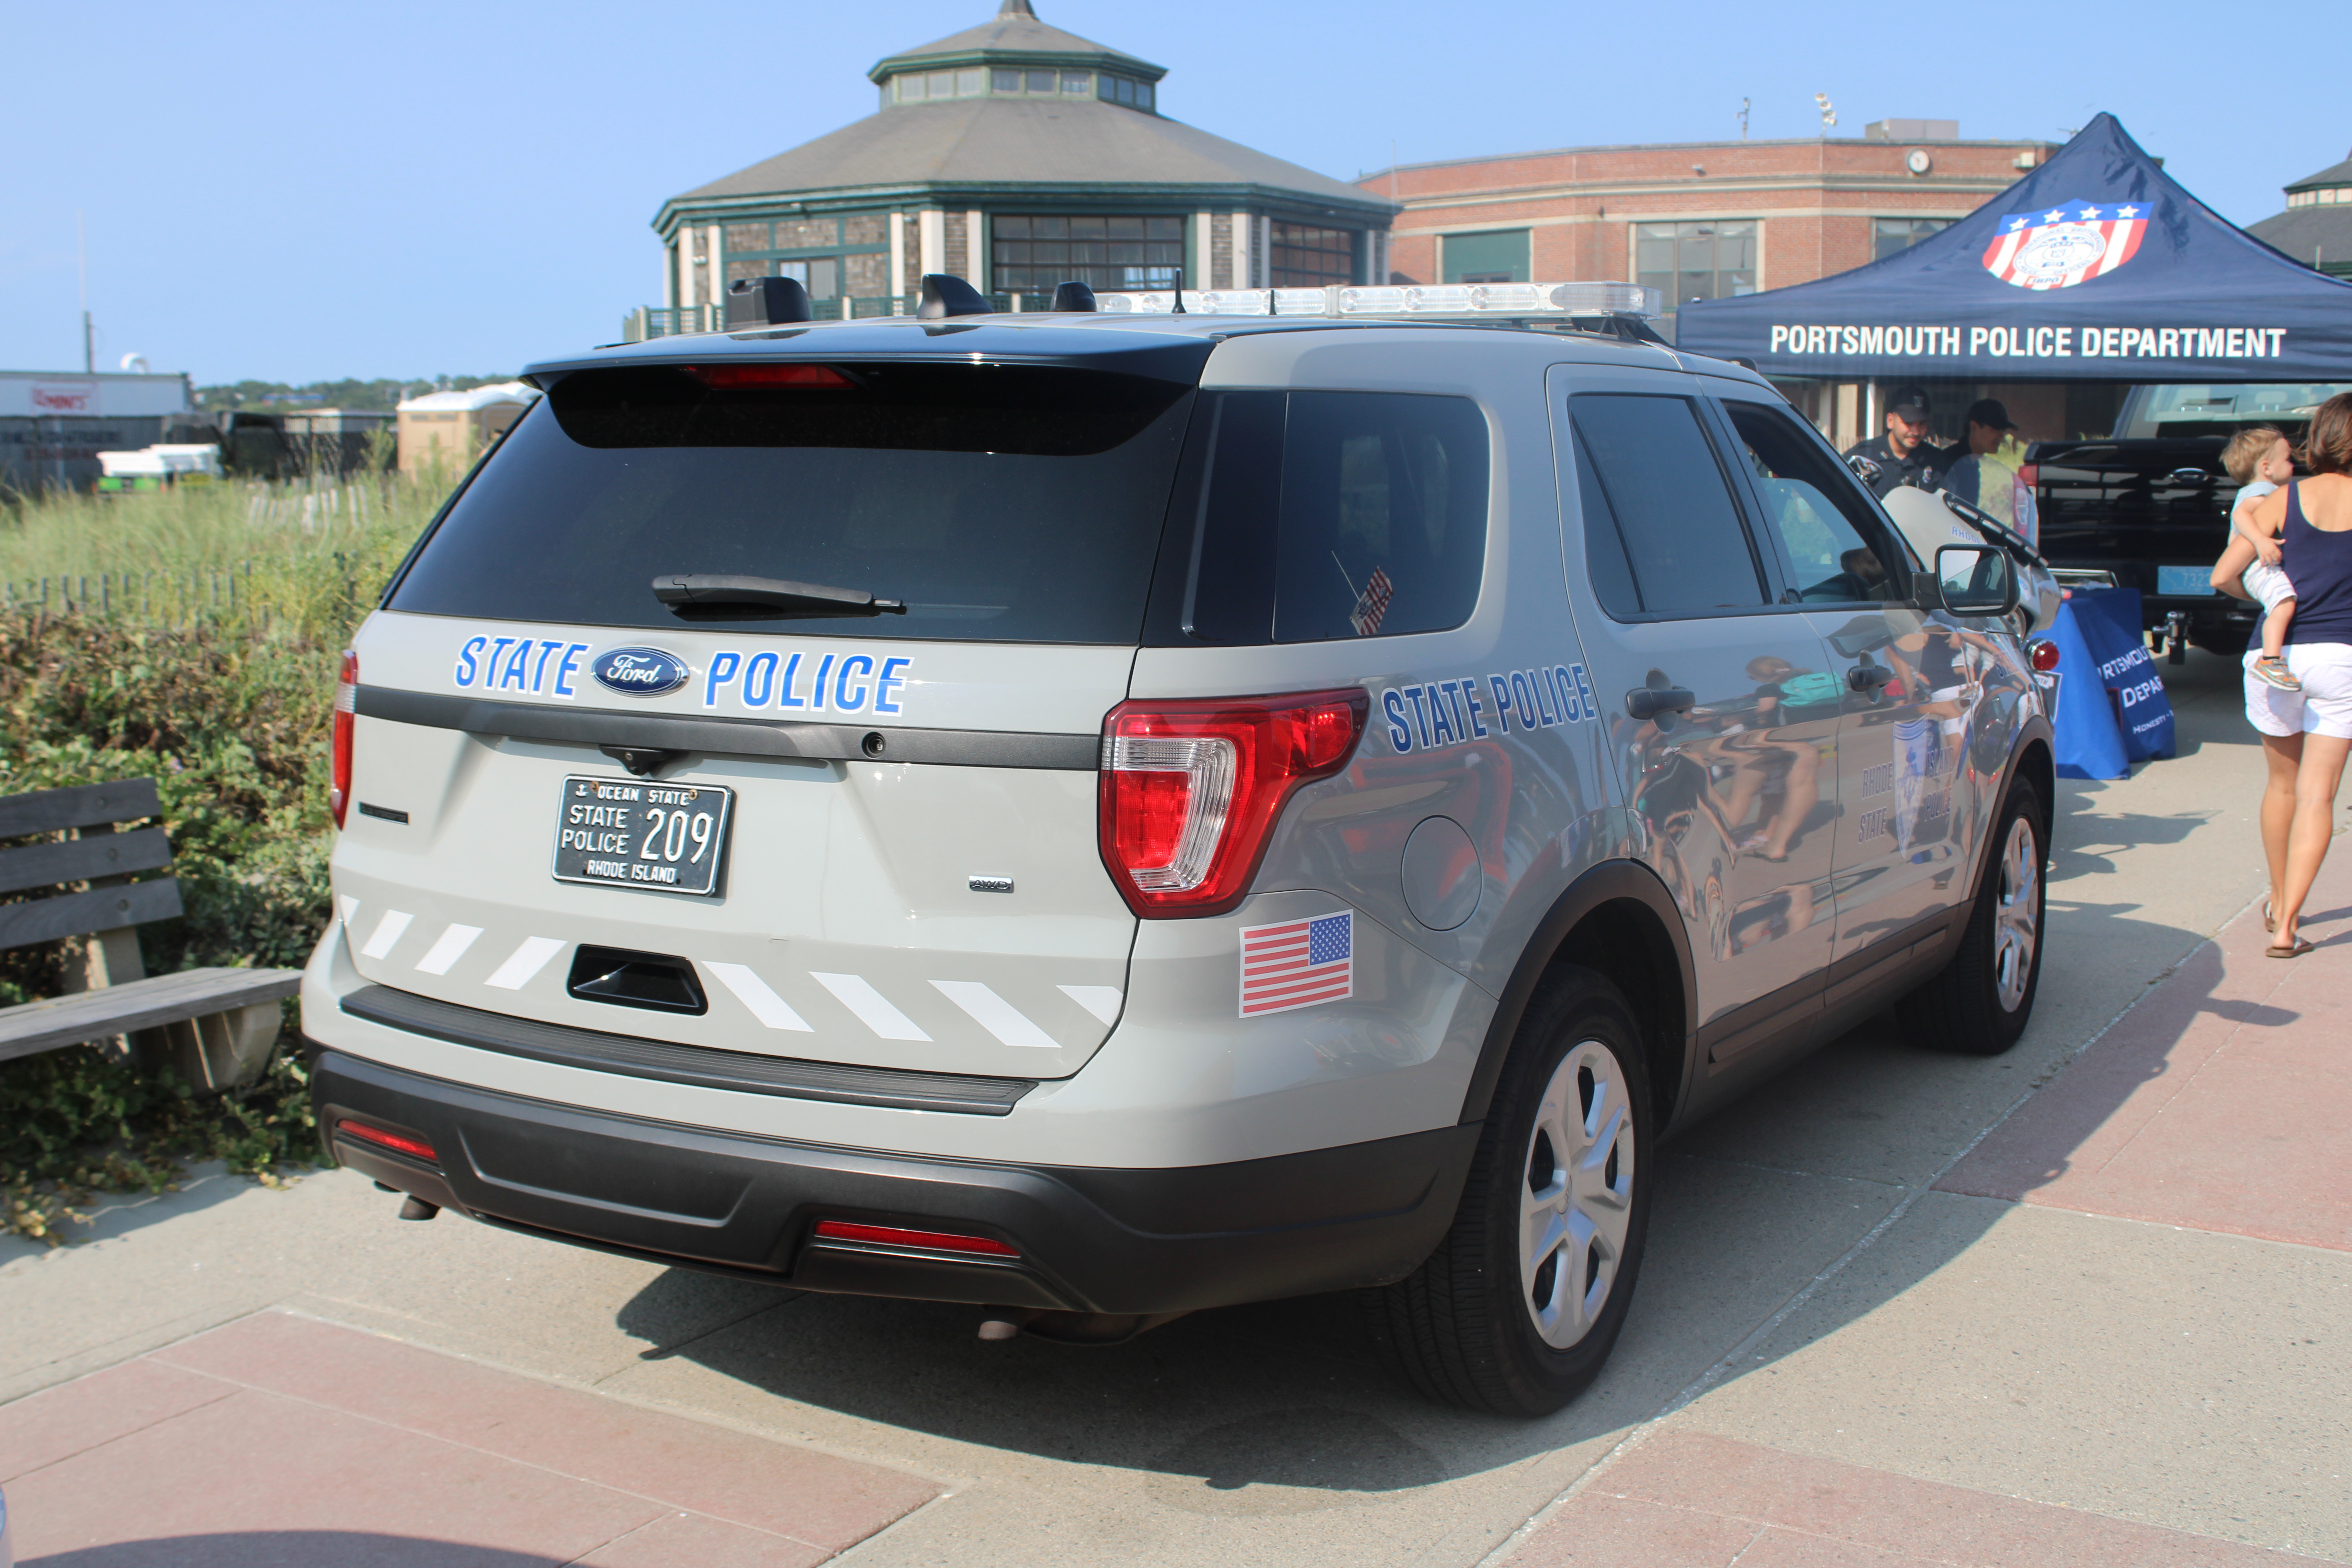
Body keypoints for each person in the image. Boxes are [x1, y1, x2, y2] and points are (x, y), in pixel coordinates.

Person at [2209, 392, 2352, 958]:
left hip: (2276, 658)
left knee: (2282, 787)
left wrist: (2273, 601)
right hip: (2343, 659)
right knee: (2320, 798)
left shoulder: (2282, 500)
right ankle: (2289, 924)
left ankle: (2274, 894)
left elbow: (2223, 575)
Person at [2222, 425, 2300, 691]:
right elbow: (2241, 515)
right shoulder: (2263, 491)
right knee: (2284, 603)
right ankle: (2271, 660)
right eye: (2289, 459)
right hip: (2255, 565)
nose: (2293, 465)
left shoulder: (2262, 489)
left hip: (2257, 565)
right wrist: (2260, 540)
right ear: (2267, 468)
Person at [1938, 398, 2038, 543]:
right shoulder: (1949, 465)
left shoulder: (1972, 463)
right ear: (1974, 427)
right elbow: (1949, 517)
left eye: (2003, 430)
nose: (2001, 436)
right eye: (1994, 429)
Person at [1845, 386, 1949, 498]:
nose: (1916, 431)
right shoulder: (1864, 456)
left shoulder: (1938, 463)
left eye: (1922, 424)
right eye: (1909, 423)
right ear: (1891, 421)